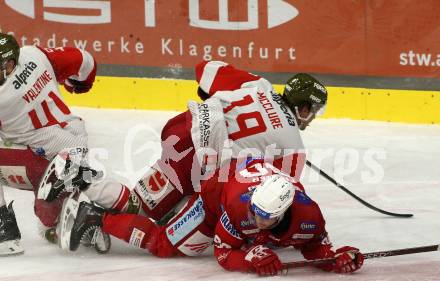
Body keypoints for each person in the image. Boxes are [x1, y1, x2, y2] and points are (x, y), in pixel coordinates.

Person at [44, 60, 328, 235]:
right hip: (195, 157)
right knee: (149, 211)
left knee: (178, 204)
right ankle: (77, 177)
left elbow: (206, 69)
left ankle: (88, 201)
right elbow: (276, 197)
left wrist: (215, 100)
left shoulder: (259, 84)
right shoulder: (293, 146)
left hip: (183, 128)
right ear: (303, 107)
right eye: (314, 110)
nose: (313, 117)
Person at [58, 159, 364, 276]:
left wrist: (334, 258)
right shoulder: (238, 206)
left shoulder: (310, 217)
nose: (255, 219)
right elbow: (222, 252)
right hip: (214, 197)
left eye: (265, 217)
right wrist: (248, 258)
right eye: (254, 211)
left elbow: (312, 246)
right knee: (165, 245)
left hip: (239, 176)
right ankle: (95, 217)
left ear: (283, 211)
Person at [0, 33, 131, 255]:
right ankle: (136, 207)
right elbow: (85, 60)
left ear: (11, 63)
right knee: (60, 209)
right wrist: (79, 84)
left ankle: (4, 229)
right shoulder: (35, 54)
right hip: (74, 139)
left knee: (53, 216)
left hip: (43, 160)